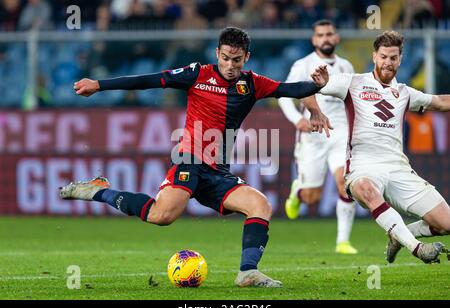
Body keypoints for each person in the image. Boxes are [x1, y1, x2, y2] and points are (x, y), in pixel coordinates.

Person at [60, 27, 332, 287]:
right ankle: (99, 191)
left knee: (260, 205)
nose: (229, 65)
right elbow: (150, 80)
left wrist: (315, 85)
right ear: (217, 53)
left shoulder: (252, 83)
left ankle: (248, 273)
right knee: (162, 216)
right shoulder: (196, 74)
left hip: (218, 172)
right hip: (189, 159)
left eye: (236, 60)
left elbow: (290, 89)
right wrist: (99, 85)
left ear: (246, 57)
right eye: (225, 58)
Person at [318, 30, 450, 264]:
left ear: (400, 60)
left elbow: (440, 102)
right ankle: (417, 248)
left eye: (393, 58)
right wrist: (314, 109)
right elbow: (310, 87)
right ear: (374, 56)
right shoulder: (353, 82)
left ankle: (399, 233)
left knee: (446, 224)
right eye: (383, 57)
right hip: (363, 167)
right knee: (367, 189)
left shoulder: (405, 93)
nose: (387, 62)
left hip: (398, 167)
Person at [278, 19, 358, 255]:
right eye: (320, 34)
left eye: (329, 34)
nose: (325, 38)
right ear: (314, 40)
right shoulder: (303, 65)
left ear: (336, 38)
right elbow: (284, 96)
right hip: (312, 136)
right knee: (312, 197)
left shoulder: (346, 66)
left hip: (340, 131)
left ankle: (343, 241)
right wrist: (297, 119)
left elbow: (353, 100)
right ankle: (297, 192)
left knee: (346, 184)